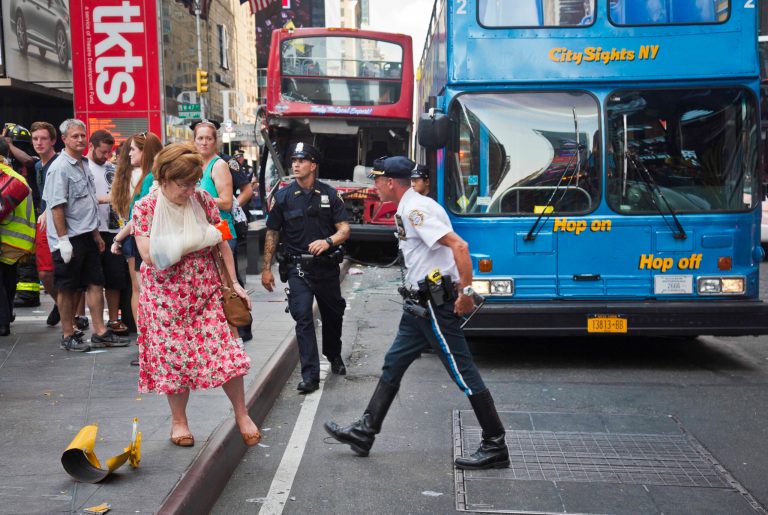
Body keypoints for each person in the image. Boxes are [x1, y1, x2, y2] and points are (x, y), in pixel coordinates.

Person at [324, 156, 509, 470]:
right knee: (393, 363)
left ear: (392, 182)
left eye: (378, 180)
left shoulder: (415, 209)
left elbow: (460, 247)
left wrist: (465, 292)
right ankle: (364, 432)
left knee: (463, 372)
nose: (375, 186)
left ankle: (495, 443)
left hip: (434, 305)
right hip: (417, 307)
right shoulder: (410, 205)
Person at [132, 142, 260, 447]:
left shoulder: (203, 199)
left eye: (193, 183)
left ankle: (241, 414)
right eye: (183, 185)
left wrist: (235, 284)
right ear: (163, 180)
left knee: (227, 355)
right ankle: (179, 422)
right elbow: (149, 255)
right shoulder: (145, 208)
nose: (190, 190)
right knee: (174, 363)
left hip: (207, 291)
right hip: (165, 298)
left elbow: (222, 243)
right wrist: (195, 239)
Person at [261, 143, 350, 393]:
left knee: (333, 316)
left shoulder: (330, 195)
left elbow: (344, 229)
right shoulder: (283, 197)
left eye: (302, 160)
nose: (296, 164)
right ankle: (310, 376)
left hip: (326, 268)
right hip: (298, 268)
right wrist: (266, 268)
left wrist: (328, 241)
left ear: (313, 165)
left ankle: (333, 354)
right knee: (302, 318)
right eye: (293, 160)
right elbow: (272, 232)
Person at [42, 119, 129, 352]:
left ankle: (100, 332)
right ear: (64, 140)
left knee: (95, 282)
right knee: (68, 287)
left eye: (82, 135)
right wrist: (63, 241)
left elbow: (88, 202)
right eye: (75, 136)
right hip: (68, 238)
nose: (80, 139)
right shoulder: (59, 168)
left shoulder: (82, 164)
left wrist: (96, 236)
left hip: (88, 235)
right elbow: (57, 207)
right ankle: (68, 333)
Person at [111, 132, 163, 330]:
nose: (129, 153)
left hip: (142, 239)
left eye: (133, 149)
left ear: (145, 151)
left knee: (140, 290)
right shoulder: (147, 176)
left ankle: (145, 342)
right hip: (142, 237)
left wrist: (118, 239)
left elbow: (138, 217)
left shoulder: (150, 178)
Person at [86, 130, 129, 335]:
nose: (106, 156)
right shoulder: (83, 168)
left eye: (108, 152)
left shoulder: (113, 168)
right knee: (92, 280)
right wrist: (105, 199)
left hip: (114, 229)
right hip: (92, 228)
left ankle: (113, 319)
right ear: (92, 146)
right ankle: (92, 322)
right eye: (102, 152)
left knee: (115, 279)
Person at [0, 140, 36, 336]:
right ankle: (7, 316)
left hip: (5, 236)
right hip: (20, 239)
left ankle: (2, 322)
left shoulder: (3, 175)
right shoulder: (16, 177)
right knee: (7, 279)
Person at [30, 121, 61, 326]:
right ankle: (61, 305)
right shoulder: (37, 165)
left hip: (61, 221)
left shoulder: (59, 163)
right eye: (35, 139)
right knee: (44, 272)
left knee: (64, 272)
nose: (39, 143)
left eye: (43, 139)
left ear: (53, 141)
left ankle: (68, 311)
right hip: (43, 220)